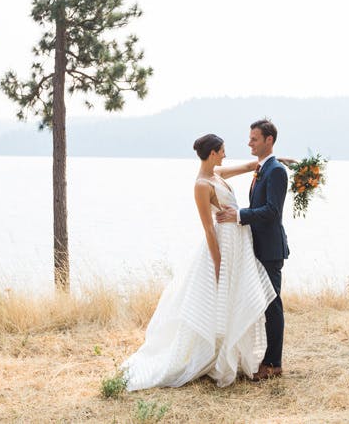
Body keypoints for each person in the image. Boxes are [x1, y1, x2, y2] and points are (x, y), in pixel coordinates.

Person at [122, 133, 285, 390]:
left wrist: (277, 161)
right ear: (212, 153)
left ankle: (237, 354)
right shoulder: (201, 185)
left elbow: (249, 166)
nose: (225, 154)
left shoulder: (217, 174)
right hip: (224, 246)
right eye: (222, 151)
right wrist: (218, 264)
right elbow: (208, 228)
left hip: (239, 244)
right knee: (219, 302)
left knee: (239, 298)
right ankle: (214, 355)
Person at [216, 119, 289, 381]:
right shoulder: (263, 168)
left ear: (269, 140)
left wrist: (238, 216)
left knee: (272, 305)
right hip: (256, 247)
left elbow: (272, 211)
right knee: (261, 304)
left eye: (254, 139)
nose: (249, 143)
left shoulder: (276, 171)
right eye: (250, 138)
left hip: (270, 249)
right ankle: (262, 358)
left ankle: (273, 363)